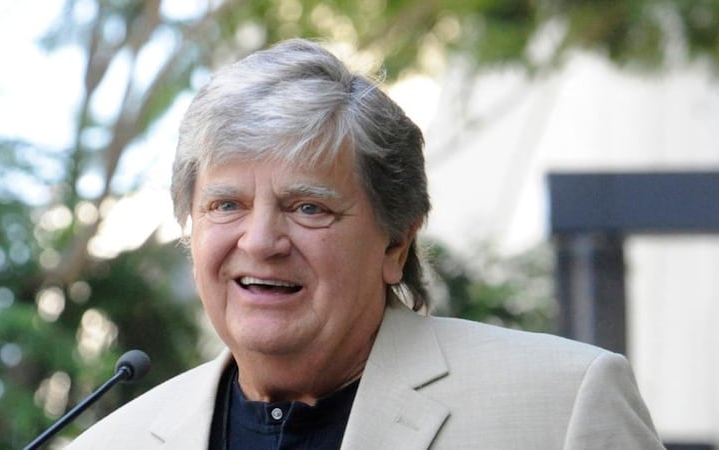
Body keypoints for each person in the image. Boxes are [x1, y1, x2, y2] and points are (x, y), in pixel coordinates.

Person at [67, 38, 663, 449]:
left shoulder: (561, 406)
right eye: (227, 205)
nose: (262, 240)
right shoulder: (111, 441)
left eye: (309, 208)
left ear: (396, 243)